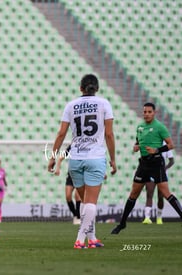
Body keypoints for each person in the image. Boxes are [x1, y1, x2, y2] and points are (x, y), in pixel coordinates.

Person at [48, 74, 116, 249]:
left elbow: (61, 134)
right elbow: (109, 134)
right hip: (95, 157)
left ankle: (92, 238)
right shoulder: (104, 104)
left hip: (75, 159)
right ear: (97, 88)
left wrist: (53, 157)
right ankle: (80, 240)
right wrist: (113, 159)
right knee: (91, 202)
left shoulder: (71, 105)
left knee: (85, 202)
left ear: (81, 88)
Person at [111, 103, 182, 234]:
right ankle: (122, 224)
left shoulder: (159, 127)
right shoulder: (140, 126)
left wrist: (156, 150)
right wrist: (135, 147)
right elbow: (138, 142)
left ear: (154, 113)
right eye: (145, 112)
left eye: (149, 112)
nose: (147, 114)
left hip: (156, 163)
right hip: (143, 164)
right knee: (133, 194)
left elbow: (171, 145)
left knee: (166, 193)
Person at [142, 141, 174, 225]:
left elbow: (172, 161)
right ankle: (147, 218)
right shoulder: (150, 142)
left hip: (161, 174)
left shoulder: (165, 145)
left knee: (160, 196)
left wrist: (164, 168)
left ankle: (159, 217)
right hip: (150, 173)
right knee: (149, 194)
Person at [54, 144, 82, 225]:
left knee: (77, 196)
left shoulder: (86, 146)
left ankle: (79, 217)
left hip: (81, 174)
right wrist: (58, 169)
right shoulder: (72, 147)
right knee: (68, 196)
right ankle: (76, 215)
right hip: (71, 175)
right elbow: (60, 158)